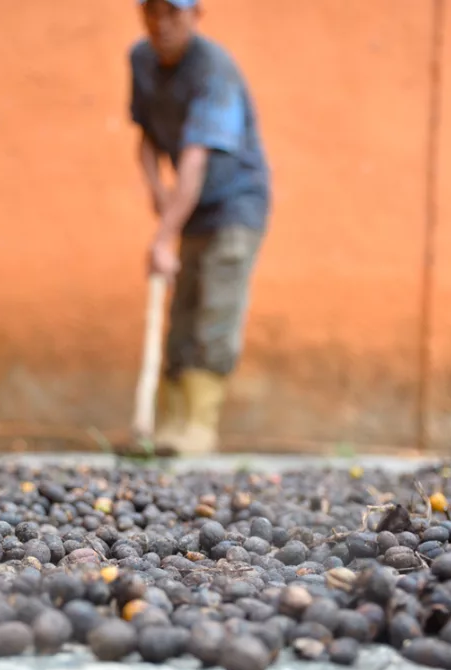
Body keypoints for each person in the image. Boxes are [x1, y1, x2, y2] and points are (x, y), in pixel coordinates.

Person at [128, 0, 271, 455]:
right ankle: (166, 425)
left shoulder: (214, 69)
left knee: (215, 306)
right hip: (189, 205)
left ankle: (198, 429)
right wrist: (156, 190)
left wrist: (165, 234)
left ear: (196, 15)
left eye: (173, 13)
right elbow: (147, 134)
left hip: (234, 202)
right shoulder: (141, 59)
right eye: (153, 12)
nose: (162, 24)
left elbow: (195, 157)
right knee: (183, 307)